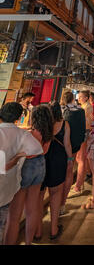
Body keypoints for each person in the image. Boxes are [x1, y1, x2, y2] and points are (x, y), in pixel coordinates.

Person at [4, 104, 53, 245]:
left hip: (27, 167)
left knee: (14, 214)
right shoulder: (48, 134)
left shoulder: (29, 134)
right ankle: (28, 242)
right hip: (40, 166)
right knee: (32, 209)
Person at [33, 102, 72, 241]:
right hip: (58, 161)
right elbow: (67, 144)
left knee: (38, 198)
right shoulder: (64, 124)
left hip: (41, 163)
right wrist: (70, 159)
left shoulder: (39, 126)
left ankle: (37, 232)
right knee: (55, 195)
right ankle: (54, 230)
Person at [60, 91, 86, 215]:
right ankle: (62, 202)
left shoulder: (62, 110)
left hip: (61, 146)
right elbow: (83, 127)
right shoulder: (81, 110)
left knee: (60, 172)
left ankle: (57, 199)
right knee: (69, 171)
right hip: (75, 145)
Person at [70, 90, 93, 196]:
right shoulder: (84, 106)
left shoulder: (86, 107)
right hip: (83, 132)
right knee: (82, 158)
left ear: (86, 98)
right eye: (78, 97)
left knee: (80, 159)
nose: (78, 99)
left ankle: (78, 185)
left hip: (83, 132)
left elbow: (83, 121)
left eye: (80, 97)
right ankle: (81, 181)